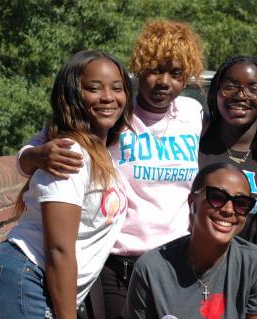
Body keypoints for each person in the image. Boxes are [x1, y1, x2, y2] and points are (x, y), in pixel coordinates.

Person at [16, 20, 204, 318]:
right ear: (140, 68)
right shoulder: (115, 113)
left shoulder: (193, 114)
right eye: (155, 69)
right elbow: (32, 152)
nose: (164, 81)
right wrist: (37, 155)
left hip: (174, 263)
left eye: (176, 73)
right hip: (116, 265)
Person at [0, 50, 133, 318]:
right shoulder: (69, 154)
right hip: (26, 279)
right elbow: (59, 250)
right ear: (73, 95)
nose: (108, 97)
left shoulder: (100, 150)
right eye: (94, 88)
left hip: (34, 281)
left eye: (117, 88)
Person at [123, 162, 257, 319]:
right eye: (216, 197)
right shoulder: (151, 269)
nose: (228, 210)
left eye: (241, 203)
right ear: (192, 202)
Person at [199, 55, 257, 247]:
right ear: (216, 91)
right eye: (230, 86)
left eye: (253, 89)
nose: (240, 95)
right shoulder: (197, 142)